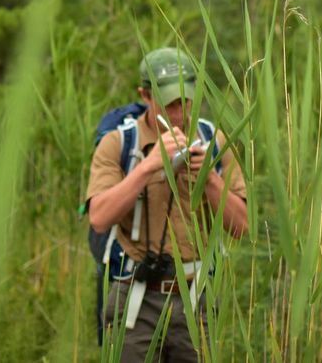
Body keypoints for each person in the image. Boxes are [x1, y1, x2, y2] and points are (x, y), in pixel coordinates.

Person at [86, 46, 248, 362]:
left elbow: (242, 226)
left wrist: (209, 179)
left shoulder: (214, 141)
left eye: (184, 101)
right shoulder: (119, 143)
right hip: (135, 296)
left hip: (196, 298)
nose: (177, 113)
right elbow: (99, 218)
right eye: (168, 103)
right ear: (145, 96)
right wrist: (147, 168)